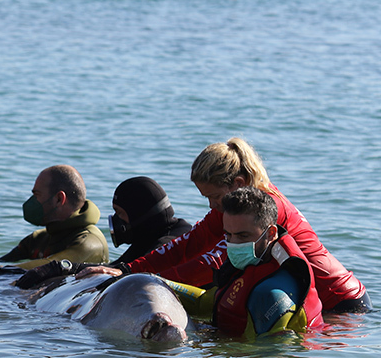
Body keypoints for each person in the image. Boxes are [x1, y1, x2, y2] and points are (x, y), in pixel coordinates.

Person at [82, 138, 370, 313]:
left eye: (215, 197)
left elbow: (212, 263)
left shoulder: (262, 209)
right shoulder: (231, 206)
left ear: (238, 184)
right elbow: (188, 245)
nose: (211, 206)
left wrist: (149, 282)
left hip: (342, 304)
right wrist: (128, 268)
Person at [167, 187, 324, 338]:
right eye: (228, 235)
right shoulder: (255, 261)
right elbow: (207, 303)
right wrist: (154, 281)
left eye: (243, 236)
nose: (234, 243)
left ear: (271, 233)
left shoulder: (272, 295)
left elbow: (265, 357)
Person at [0, 165, 109, 269]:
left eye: (37, 195)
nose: (31, 201)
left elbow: (50, 267)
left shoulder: (90, 243)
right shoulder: (38, 239)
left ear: (59, 199)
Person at [109, 176, 191, 266]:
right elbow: (116, 266)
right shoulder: (149, 237)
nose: (117, 219)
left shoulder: (165, 246)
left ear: (137, 214)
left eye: (120, 213)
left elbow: (135, 273)